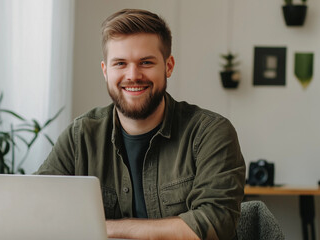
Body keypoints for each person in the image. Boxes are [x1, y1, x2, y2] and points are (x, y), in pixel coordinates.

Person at [36, 8, 246, 240]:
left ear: (168, 66)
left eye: (145, 62)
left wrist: (106, 229)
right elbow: (38, 207)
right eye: (120, 63)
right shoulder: (80, 136)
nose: (133, 75)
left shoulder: (210, 132)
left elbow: (214, 224)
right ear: (105, 71)